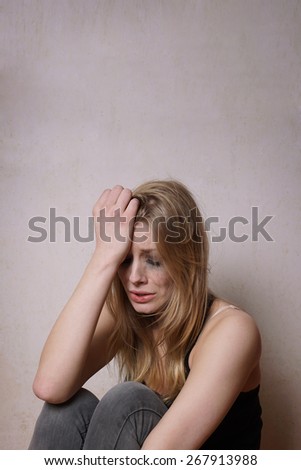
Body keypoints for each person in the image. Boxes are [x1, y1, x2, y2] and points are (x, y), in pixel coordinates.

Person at [29, 180, 262, 450]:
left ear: (185, 261)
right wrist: (103, 257)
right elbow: (50, 386)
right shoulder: (128, 310)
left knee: (128, 402)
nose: (134, 278)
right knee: (66, 409)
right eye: (125, 260)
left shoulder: (232, 330)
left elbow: (158, 455)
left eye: (153, 261)